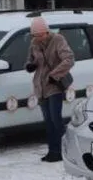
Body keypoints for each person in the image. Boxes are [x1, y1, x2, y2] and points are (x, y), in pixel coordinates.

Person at [25, 17, 74, 163]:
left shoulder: (58, 39)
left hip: (54, 85)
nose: (38, 38)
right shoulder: (34, 43)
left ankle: (65, 150)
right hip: (40, 86)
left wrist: (55, 75)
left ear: (47, 32)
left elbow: (69, 59)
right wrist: (30, 65)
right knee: (48, 121)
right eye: (35, 35)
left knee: (55, 119)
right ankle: (52, 151)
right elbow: (30, 59)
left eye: (40, 35)